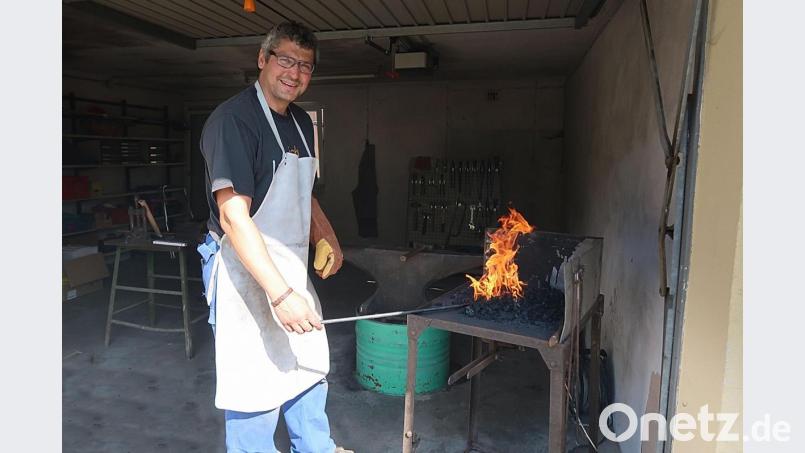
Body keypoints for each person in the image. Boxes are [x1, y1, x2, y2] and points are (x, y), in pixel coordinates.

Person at [196, 21, 350, 453]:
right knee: (254, 380)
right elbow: (233, 217)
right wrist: (281, 296)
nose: (295, 72)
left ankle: (316, 448)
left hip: (287, 264)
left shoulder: (301, 122)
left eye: (305, 65)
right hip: (241, 267)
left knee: (307, 362)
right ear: (262, 60)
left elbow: (307, 194)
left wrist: (328, 237)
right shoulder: (233, 121)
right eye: (285, 60)